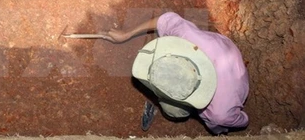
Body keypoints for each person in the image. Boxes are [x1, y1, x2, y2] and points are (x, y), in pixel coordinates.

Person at [104, 12, 250, 135]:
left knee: (174, 110)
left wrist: (219, 128)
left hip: (230, 88)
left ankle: (185, 108)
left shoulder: (219, 112)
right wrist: (126, 34)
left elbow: (242, 122)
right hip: (222, 47)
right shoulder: (188, 37)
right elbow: (165, 19)